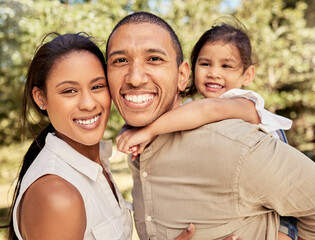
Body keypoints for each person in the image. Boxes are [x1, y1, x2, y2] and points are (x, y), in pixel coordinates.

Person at [106, 11, 315, 240]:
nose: (135, 78)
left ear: (182, 75)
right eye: (120, 60)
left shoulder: (234, 135)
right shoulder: (139, 149)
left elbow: (209, 110)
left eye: (154, 58)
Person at [7, 32, 198, 240]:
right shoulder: (56, 194)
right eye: (69, 91)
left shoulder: (94, 164)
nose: (88, 104)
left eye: (97, 86)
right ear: (41, 98)